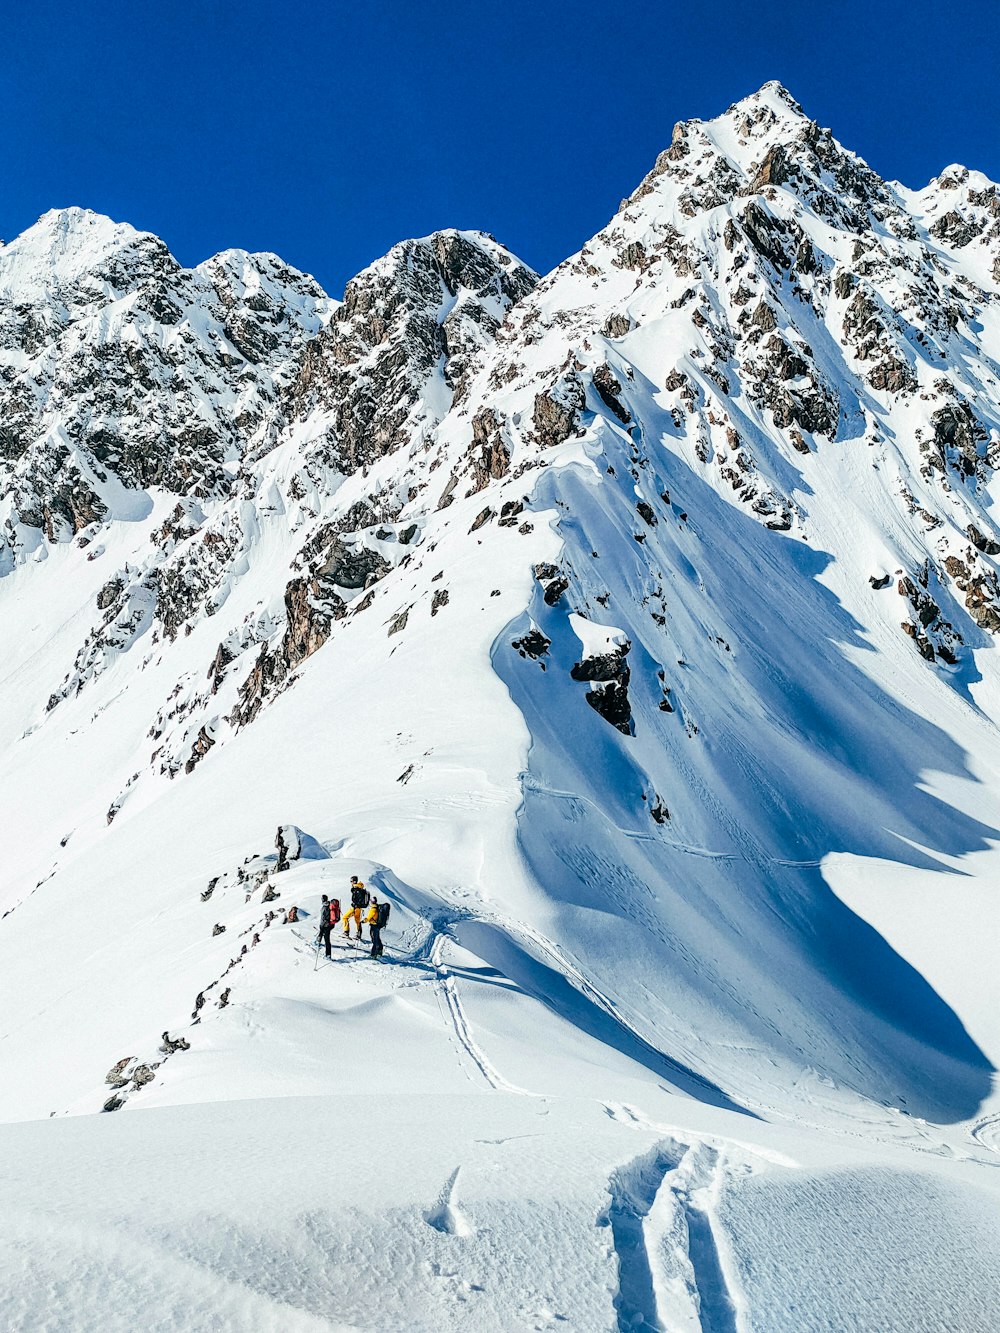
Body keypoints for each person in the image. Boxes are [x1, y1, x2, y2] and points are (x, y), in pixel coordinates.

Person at [343, 875, 369, 940]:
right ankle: (358, 934)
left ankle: (346, 932)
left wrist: (355, 904)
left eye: (351, 881)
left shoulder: (356, 889)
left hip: (355, 907)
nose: (351, 882)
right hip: (359, 908)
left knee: (345, 917)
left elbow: (356, 900)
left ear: (354, 881)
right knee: (357, 921)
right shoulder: (360, 888)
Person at [318, 894, 335, 959]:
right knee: (325, 938)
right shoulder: (329, 905)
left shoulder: (325, 907)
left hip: (325, 925)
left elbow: (324, 918)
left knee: (327, 940)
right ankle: (327, 954)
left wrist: (322, 926)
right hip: (330, 925)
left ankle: (328, 955)